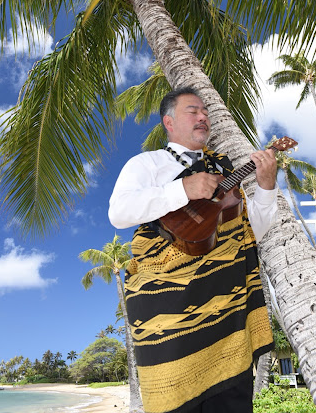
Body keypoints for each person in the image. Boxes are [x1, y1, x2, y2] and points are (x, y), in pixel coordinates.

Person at [109, 87, 278, 413]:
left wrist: (267, 186)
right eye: (192, 110)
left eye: (205, 112)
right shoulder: (148, 164)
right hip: (168, 317)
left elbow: (247, 233)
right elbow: (120, 212)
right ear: (168, 121)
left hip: (227, 316)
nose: (203, 116)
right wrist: (183, 188)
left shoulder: (225, 173)